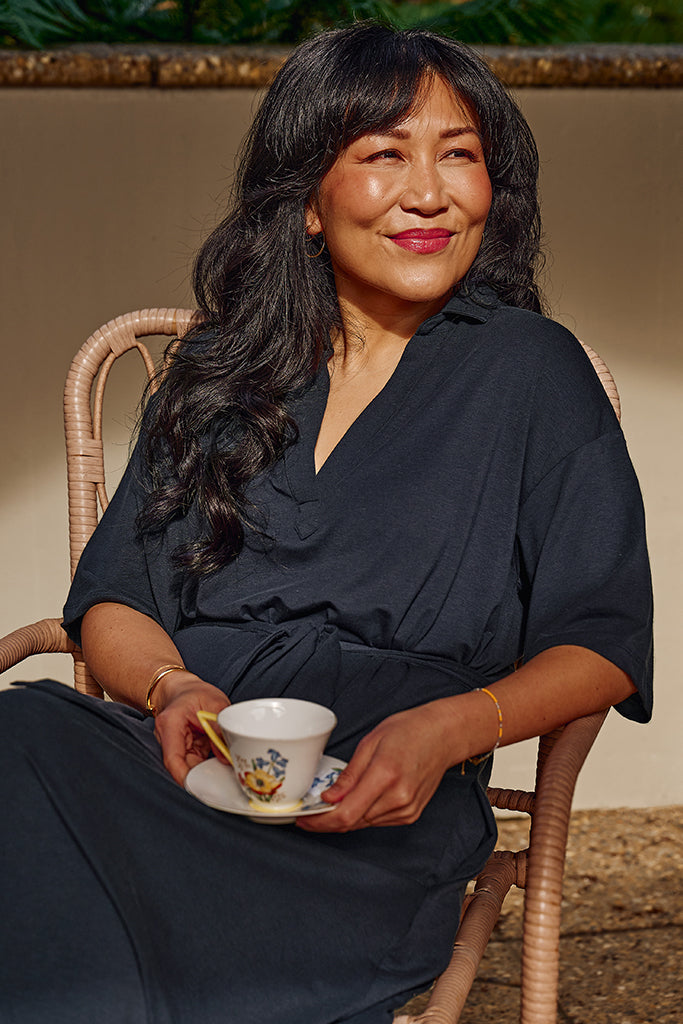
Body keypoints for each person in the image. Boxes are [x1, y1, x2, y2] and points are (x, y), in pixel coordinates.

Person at [0, 22, 652, 1024]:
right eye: (384, 155)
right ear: (306, 198)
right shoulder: (221, 371)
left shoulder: (530, 372)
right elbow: (114, 598)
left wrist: (449, 730)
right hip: (179, 780)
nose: (429, 191)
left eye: (460, 155)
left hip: (368, 826)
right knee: (24, 728)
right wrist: (174, 688)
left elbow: (601, 639)